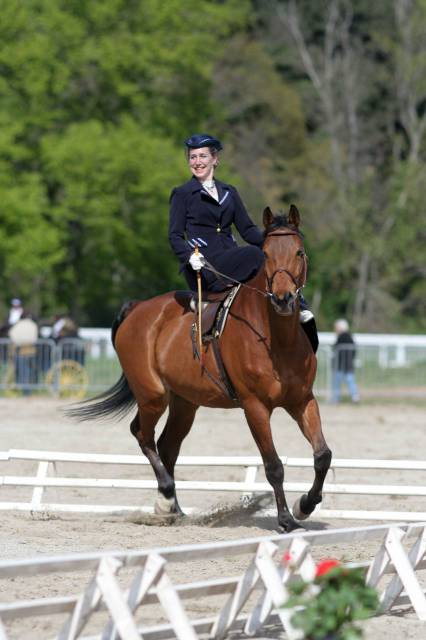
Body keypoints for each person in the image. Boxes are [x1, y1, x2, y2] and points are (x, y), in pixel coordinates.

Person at [168, 132, 318, 349]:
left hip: (232, 259)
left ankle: (296, 302)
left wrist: (275, 244)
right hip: (205, 264)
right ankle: (298, 304)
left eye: (202, 156)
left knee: (272, 259)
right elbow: (174, 236)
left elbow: (247, 230)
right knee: (256, 255)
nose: (197, 162)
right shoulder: (182, 194)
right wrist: (189, 257)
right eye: (193, 157)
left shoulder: (230, 192)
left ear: (215, 159)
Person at [331, 318, 360, 403]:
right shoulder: (350, 337)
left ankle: (336, 399)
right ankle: (355, 397)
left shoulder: (342, 337)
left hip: (340, 365)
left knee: (337, 382)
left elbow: (336, 348)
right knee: (350, 381)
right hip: (348, 364)